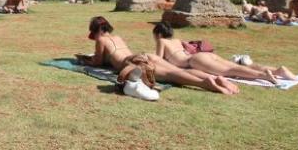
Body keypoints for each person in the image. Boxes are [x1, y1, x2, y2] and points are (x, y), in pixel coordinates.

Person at [81, 16, 238, 95]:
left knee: (173, 75)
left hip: (134, 62)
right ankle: (216, 78)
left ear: (96, 31)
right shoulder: (118, 37)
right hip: (144, 55)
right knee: (179, 71)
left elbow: (98, 61)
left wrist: (84, 60)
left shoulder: (101, 40)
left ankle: (207, 83)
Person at [152, 22, 295, 82]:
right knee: (237, 67)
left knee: (232, 70)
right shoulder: (177, 40)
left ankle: (264, 76)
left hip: (195, 61)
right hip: (204, 56)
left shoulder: (161, 41)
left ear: (158, 34)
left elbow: (158, 60)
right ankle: (277, 71)